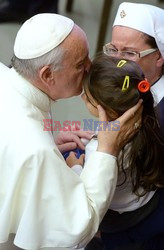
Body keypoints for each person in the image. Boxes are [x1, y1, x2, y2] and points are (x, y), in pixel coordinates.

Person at [0, 13, 142, 250]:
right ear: (47, 75)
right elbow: (78, 227)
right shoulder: (35, 151)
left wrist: (51, 150)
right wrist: (107, 150)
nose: (90, 67)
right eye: (80, 64)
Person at [66, 54, 164, 250]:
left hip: (118, 216)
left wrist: (75, 167)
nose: (82, 96)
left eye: (88, 97)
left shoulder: (98, 150)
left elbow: (88, 190)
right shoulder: (149, 121)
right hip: (143, 200)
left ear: (108, 113)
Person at [103, 2, 164, 134]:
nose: (117, 61)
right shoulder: (116, 85)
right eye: (113, 49)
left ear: (159, 57)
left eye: (130, 53)